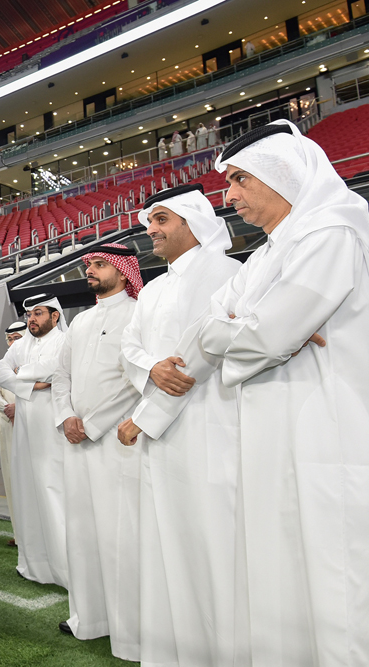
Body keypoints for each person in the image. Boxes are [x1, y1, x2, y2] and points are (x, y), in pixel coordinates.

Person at [199, 120, 369, 666]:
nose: (230, 197)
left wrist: (257, 330)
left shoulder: (332, 232)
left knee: (333, 575)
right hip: (273, 428)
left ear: (284, 174)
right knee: (281, 567)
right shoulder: (269, 254)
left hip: (325, 429)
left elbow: (268, 332)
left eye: (241, 181)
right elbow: (214, 327)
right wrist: (257, 331)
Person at [115, 184, 244, 666]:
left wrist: (143, 419)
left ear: (192, 222)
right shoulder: (155, 286)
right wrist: (150, 369)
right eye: (151, 221)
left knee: (211, 545)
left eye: (162, 220)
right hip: (161, 432)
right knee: (168, 545)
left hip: (211, 425)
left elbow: (198, 360)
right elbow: (131, 349)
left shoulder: (225, 273)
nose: (151, 230)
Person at [51, 243, 143, 662]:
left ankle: (129, 627)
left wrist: (91, 424)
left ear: (125, 273)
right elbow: (61, 375)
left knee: (119, 533)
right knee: (82, 531)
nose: (91, 269)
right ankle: (86, 617)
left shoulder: (137, 315)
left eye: (100, 264)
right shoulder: (81, 320)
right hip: (76, 440)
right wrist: (67, 416)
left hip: (114, 442)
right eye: (88, 264)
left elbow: (134, 380)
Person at [0, 295, 70, 587]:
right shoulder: (22, 344)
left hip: (53, 430)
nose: (32, 320)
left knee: (54, 494)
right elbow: (1, 373)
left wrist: (21, 376)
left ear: (54, 315)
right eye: (28, 315)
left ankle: (63, 569)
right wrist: (34, 384)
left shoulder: (65, 340)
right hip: (25, 430)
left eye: (38, 313)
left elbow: (57, 368)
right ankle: (33, 565)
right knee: (28, 494)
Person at [0, 321, 26, 548]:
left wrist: (20, 409)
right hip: (8, 427)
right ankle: (20, 534)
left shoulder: (34, 359)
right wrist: (7, 409)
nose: (12, 343)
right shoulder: (3, 363)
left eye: (17, 339)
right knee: (12, 479)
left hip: (31, 426)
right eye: (10, 339)